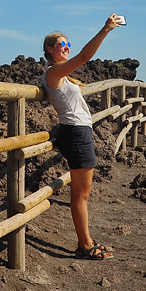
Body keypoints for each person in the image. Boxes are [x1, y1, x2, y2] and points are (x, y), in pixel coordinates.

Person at [42, 14, 122, 260]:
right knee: (81, 193)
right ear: (49, 50)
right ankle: (84, 245)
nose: (65, 47)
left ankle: (85, 242)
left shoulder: (62, 75)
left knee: (82, 192)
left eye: (67, 44)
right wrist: (105, 30)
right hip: (75, 133)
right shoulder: (54, 72)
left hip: (78, 132)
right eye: (60, 45)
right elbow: (85, 57)